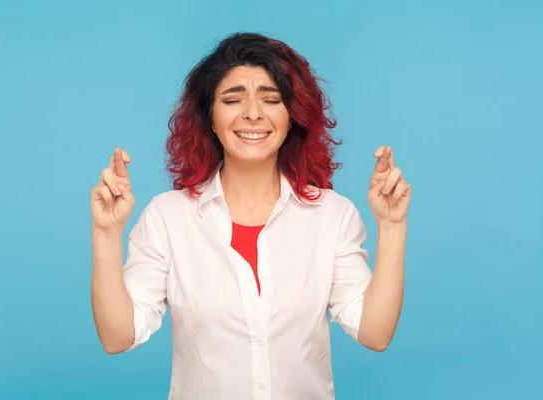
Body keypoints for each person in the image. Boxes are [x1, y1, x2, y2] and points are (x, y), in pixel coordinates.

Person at [90, 32, 411, 399]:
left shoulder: (333, 215)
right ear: (210, 117)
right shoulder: (167, 217)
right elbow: (118, 337)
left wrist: (392, 225)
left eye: (271, 99)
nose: (254, 113)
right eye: (232, 99)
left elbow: (375, 333)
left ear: (292, 117)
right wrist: (106, 233)